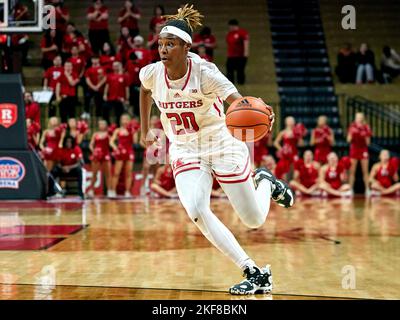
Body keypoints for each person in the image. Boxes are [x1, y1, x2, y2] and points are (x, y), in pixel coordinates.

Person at [139, 4, 294, 295]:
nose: (162, 49)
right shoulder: (151, 73)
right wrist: (144, 127)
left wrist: (255, 110)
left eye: (170, 44)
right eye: (160, 44)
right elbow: (145, 90)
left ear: (186, 47)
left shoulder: (206, 73)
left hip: (221, 144)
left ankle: (265, 183)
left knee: (254, 220)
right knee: (196, 209)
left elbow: (236, 100)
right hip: (186, 148)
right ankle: (253, 271)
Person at [109, 114, 138, 197]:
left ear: (129, 120)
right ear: (120, 120)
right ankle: (113, 191)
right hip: (120, 152)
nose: (124, 120)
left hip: (129, 152)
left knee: (128, 173)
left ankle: (127, 192)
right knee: (116, 172)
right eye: (123, 119)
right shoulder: (118, 130)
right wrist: (115, 148)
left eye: (126, 119)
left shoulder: (131, 130)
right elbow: (111, 141)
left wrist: (134, 131)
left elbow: (135, 142)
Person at [347, 112, 372, 193]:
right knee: (352, 171)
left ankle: (367, 189)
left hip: (363, 150)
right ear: (355, 118)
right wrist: (352, 133)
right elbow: (348, 140)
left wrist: (364, 134)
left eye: (360, 117)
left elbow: (368, 143)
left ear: (363, 118)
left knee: (365, 171)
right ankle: (350, 189)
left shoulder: (366, 127)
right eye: (357, 117)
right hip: (354, 149)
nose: (358, 119)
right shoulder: (352, 126)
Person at [88, 119, 112, 198]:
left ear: (106, 125)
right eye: (100, 124)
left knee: (108, 174)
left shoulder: (108, 134)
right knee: (94, 174)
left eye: (103, 124)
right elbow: (91, 145)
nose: (101, 125)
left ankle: (109, 190)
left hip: (106, 154)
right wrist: (94, 151)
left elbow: (111, 143)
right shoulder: (95, 134)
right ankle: (91, 190)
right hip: (97, 154)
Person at [226, 19, 249, 85]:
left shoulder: (242, 32)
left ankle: (241, 83)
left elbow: (246, 42)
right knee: (230, 71)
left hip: (240, 56)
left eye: (230, 26)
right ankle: (231, 84)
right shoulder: (229, 34)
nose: (229, 28)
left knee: (240, 70)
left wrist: (246, 53)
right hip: (231, 56)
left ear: (233, 26)